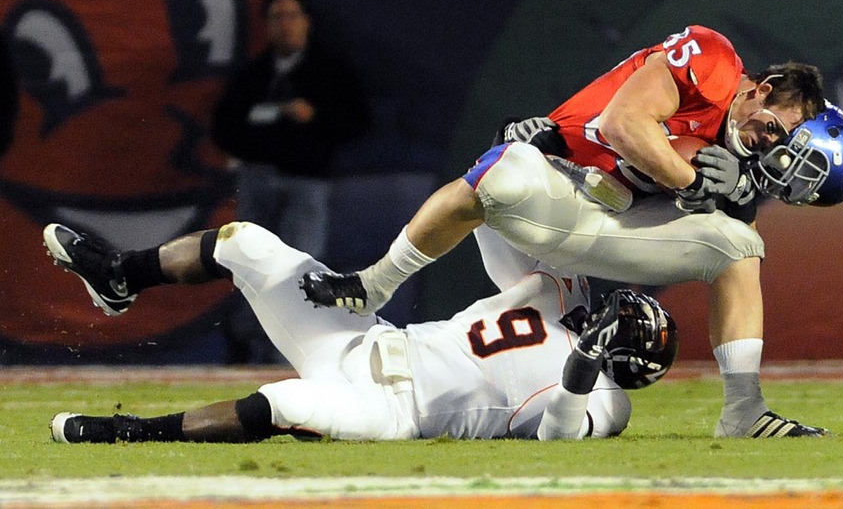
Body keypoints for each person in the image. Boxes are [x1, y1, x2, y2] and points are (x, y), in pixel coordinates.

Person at [298, 25, 843, 438]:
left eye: (780, 148)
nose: (769, 145)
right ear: (762, 89)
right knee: (502, 170)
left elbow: (731, 216)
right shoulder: (714, 60)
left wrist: (728, 190)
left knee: (740, 247)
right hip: (566, 191)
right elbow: (624, 125)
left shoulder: (743, 156)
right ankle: (375, 284)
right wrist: (693, 179)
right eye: (774, 130)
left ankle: (743, 409)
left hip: (611, 222)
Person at [43, 221, 684, 444]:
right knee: (249, 245)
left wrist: (581, 369)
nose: (605, 316)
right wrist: (528, 158)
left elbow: (558, 435)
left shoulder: (609, 401)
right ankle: (119, 277)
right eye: (618, 309)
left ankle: (126, 433)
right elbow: (492, 215)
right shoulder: (554, 294)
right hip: (369, 339)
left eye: (620, 326)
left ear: (627, 359)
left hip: (393, 409)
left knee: (287, 403)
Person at [210, 0, 368, 362]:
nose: (284, 25)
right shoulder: (254, 75)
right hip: (257, 180)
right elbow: (224, 126)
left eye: (291, 16)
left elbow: (357, 122)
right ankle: (246, 345)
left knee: (300, 266)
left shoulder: (329, 71)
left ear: (307, 22)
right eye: (276, 17)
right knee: (248, 264)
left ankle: (296, 353)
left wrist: (315, 118)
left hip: (306, 183)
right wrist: (254, 143)